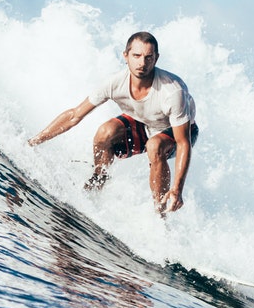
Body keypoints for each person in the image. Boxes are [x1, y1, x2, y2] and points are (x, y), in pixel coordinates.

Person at [28, 30, 199, 214]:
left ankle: (161, 213)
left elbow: (183, 143)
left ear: (156, 58)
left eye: (149, 57)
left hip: (177, 132)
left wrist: (177, 190)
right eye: (137, 56)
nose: (142, 63)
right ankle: (98, 181)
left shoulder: (172, 91)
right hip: (141, 123)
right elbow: (74, 115)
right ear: (126, 56)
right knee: (105, 132)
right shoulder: (114, 83)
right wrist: (32, 142)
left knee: (154, 145)